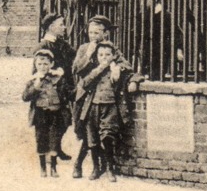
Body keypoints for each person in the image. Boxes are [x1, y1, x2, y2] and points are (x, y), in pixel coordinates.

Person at [70, 14, 127, 178]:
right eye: (90, 32)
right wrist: (88, 55)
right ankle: (83, 164)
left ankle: (96, 166)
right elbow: (76, 70)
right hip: (86, 96)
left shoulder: (110, 48)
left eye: (97, 33)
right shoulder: (84, 48)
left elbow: (125, 64)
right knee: (87, 132)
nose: (93, 36)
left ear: (105, 33)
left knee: (102, 132)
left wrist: (117, 68)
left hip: (104, 96)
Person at [21, 47, 66, 177]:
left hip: (55, 113)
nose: (42, 66)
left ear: (51, 64)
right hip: (40, 113)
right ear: (35, 64)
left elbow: (65, 94)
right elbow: (25, 97)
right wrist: (36, 85)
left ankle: (53, 168)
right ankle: (43, 168)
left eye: (46, 63)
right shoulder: (33, 80)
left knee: (54, 139)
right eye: (39, 64)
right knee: (41, 138)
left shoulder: (57, 78)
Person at [37, 12, 74, 162]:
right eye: (61, 24)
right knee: (49, 122)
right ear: (51, 27)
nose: (64, 27)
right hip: (50, 90)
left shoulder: (61, 43)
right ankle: (50, 151)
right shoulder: (43, 45)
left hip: (64, 88)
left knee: (65, 119)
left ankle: (56, 148)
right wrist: (53, 73)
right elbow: (37, 69)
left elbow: (76, 56)